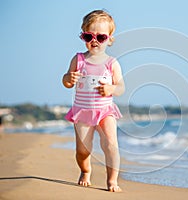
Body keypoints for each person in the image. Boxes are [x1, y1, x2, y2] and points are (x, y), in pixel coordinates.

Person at [62, 10, 125, 192]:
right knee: (83, 150)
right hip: (83, 111)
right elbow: (66, 82)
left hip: (105, 112)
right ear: (83, 36)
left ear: (110, 39)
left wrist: (111, 88)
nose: (94, 40)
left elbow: (121, 87)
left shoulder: (111, 63)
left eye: (101, 37)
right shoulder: (79, 59)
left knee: (111, 145)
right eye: (89, 36)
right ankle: (85, 170)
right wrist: (68, 78)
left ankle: (112, 180)